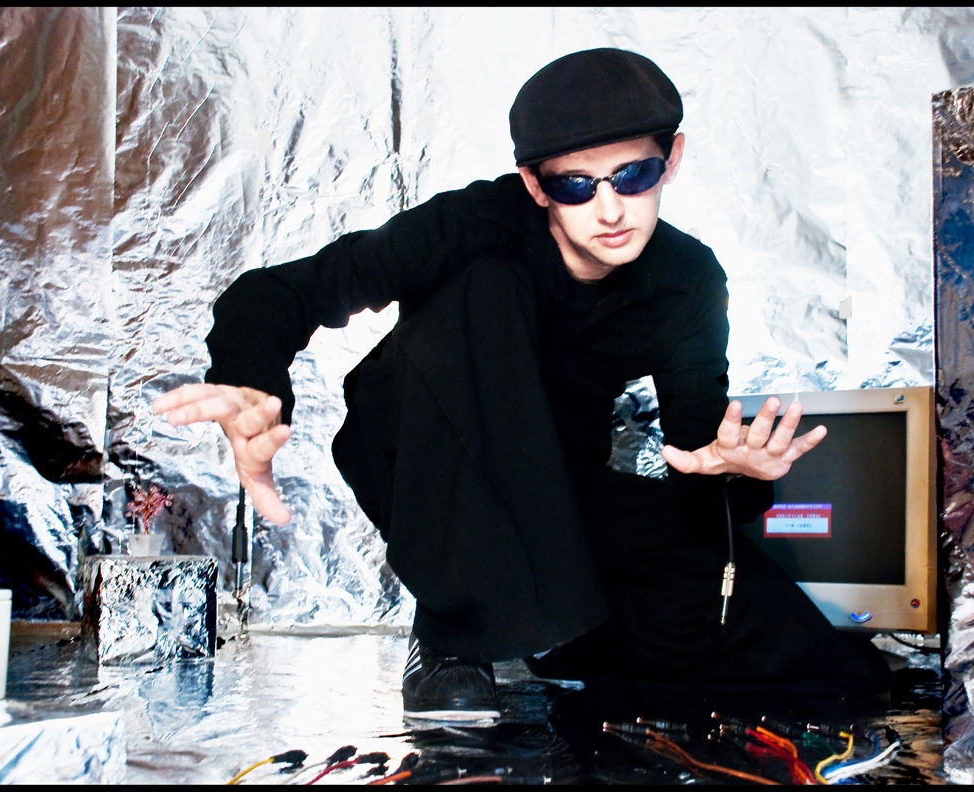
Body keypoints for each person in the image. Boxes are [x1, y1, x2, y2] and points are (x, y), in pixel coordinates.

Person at [153, 48, 892, 726]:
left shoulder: (686, 280)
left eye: (633, 176)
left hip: (549, 487)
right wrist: (251, 385)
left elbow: (696, 459)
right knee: (486, 282)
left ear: (671, 160)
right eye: (576, 185)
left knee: (792, 651)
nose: (610, 210)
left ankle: (540, 629)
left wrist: (735, 473)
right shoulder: (473, 223)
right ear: (537, 185)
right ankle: (453, 633)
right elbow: (283, 291)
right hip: (418, 451)